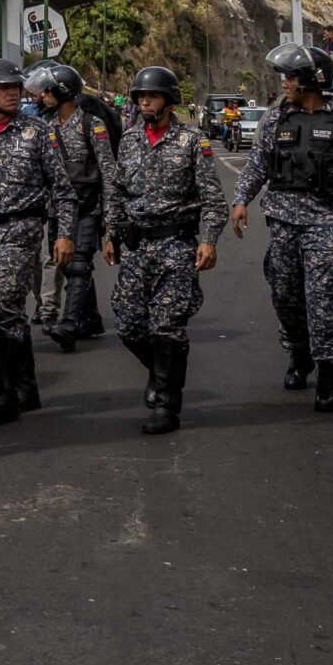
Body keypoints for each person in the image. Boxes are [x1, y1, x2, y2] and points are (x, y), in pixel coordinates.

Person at [230, 43, 333, 412]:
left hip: (328, 224)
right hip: (283, 222)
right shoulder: (275, 118)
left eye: (291, 76)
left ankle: (328, 372)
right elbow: (257, 165)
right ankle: (300, 355)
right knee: (284, 295)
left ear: (311, 81)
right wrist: (240, 200)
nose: (285, 83)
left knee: (321, 298)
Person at [106, 65, 224, 435]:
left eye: (152, 96)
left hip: (176, 244)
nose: (144, 102)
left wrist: (208, 239)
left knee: (168, 326)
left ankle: (168, 404)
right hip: (137, 246)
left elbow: (214, 200)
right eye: (141, 96)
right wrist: (110, 233)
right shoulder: (128, 141)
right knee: (128, 325)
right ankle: (162, 373)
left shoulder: (191, 142)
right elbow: (116, 192)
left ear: (169, 101)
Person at [0, 58, 74, 427]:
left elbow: (62, 190)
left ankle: (5, 394)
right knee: (7, 313)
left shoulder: (37, 133)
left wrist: (64, 234)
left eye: (16, 88)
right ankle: (27, 387)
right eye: (4, 89)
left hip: (22, 227)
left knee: (3, 306)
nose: (13, 94)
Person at [29, 64, 121, 352]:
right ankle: (90, 317)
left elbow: (108, 171)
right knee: (66, 265)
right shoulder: (47, 127)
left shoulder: (91, 124)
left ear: (62, 92)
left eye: (47, 91)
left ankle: (69, 324)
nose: (42, 97)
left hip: (87, 206)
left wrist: (111, 218)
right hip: (57, 209)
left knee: (79, 263)